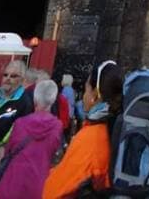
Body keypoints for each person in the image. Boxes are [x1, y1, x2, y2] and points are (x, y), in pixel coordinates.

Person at [42, 59, 124, 199]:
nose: (84, 96)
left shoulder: (92, 137)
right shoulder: (110, 128)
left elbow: (55, 190)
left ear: (95, 95)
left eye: (86, 90)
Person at [0, 78, 62, 199]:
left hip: (13, 181)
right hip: (37, 183)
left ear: (35, 98)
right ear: (53, 100)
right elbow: (52, 152)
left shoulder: (21, 123)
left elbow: (10, 149)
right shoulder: (57, 126)